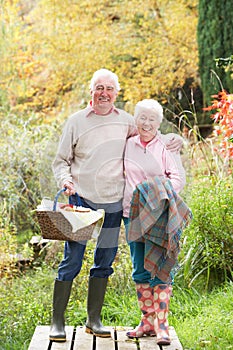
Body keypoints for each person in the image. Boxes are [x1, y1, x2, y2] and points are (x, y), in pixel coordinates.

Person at [50, 69, 184, 342]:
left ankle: (93, 320)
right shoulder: (75, 122)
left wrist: (176, 140)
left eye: (109, 88)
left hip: (113, 205)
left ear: (116, 93)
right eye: (99, 87)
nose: (104, 93)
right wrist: (66, 181)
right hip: (80, 201)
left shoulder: (126, 121)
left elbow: (150, 134)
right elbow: (61, 160)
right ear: (91, 91)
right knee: (72, 261)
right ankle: (57, 322)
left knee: (104, 262)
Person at [123, 99, 192, 346]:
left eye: (152, 119)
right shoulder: (126, 144)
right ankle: (147, 321)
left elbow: (178, 178)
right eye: (142, 117)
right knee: (139, 268)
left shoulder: (166, 146)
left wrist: (157, 196)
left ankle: (162, 326)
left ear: (159, 123)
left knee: (161, 268)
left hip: (160, 214)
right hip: (131, 215)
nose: (147, 123)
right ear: (135, 119)